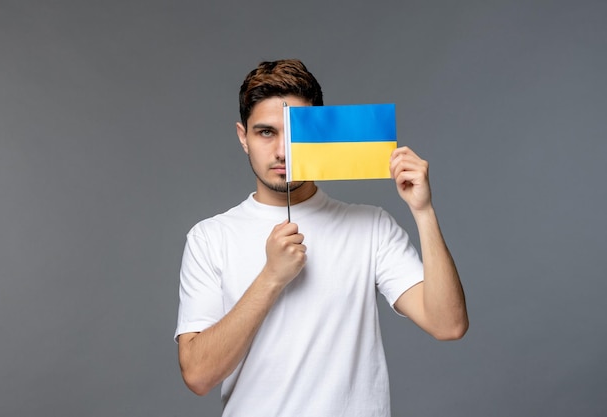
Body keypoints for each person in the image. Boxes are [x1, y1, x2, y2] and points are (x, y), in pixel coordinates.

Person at [174, 59, 468, 417]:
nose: (283, 151)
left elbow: (448, 324)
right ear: (243, 137)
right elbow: (198, 375)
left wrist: (423, 212)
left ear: (321, 135)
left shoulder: (371, 227)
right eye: (266, 132)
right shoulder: (209, 238)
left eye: (296, 135)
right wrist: (271, 278)